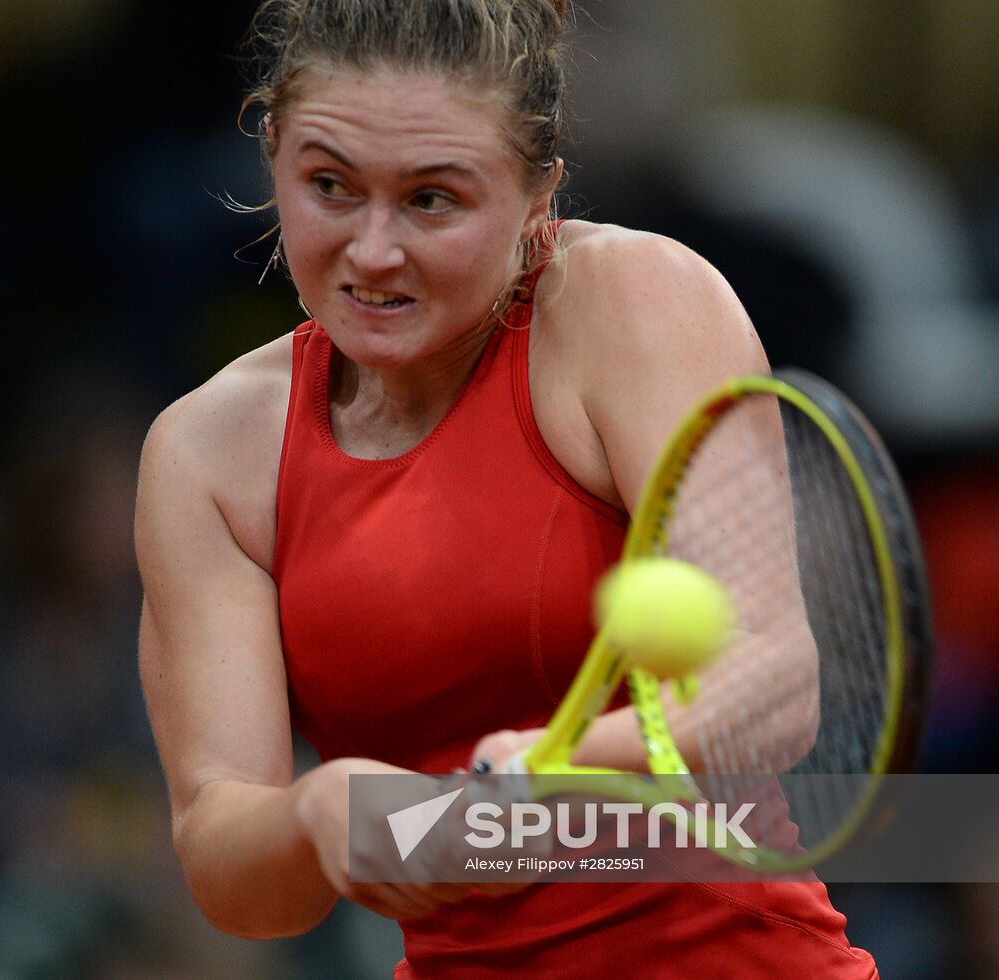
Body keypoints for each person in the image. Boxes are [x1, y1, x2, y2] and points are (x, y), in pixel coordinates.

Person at [134, 0, 878, 974]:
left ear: (539, 195)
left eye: (432, 198)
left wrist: (552, 773)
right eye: (328, 185)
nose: (371, 250)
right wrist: (320, 813)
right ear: (270, 150)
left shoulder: (636, 304)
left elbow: (769, 689)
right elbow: (232, 875)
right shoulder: (208, 454)